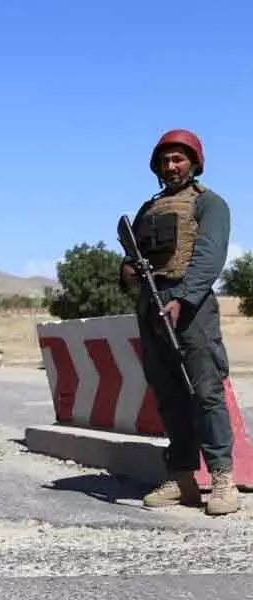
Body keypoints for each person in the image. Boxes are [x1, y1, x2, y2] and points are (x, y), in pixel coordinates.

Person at [120, 128, 240, 516]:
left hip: (191, 309)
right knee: (169, 395)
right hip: (151, 306)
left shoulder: (210, 204)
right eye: (165, 161)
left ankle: (222, 477)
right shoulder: (148, 208)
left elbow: (208, 258)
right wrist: (127, 273)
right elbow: (134, 254)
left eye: (179, 159)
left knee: (205, 392)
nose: (171, 166)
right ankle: (183, 476)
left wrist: (183, 300)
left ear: (194, 163)